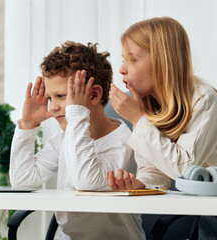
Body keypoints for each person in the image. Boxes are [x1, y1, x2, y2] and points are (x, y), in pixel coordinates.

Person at [106, 17, 217, 239]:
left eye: (132, 59)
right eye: (124, 59)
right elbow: (156, 170)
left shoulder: (205, 101)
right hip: (214, 210)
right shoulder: (150, 105)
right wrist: (139, 183)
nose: (122, 69)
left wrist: (138, 120)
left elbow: (185, 169)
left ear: (163, 61)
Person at [10, 41, 145, 240]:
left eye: (61, 96)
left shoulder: (125, 144)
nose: (53, 107)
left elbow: (87, 182)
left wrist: (76, 114)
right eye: (50, 98)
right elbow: (22, 180)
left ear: (94, 94)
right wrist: (28, 126)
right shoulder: (63, 139)